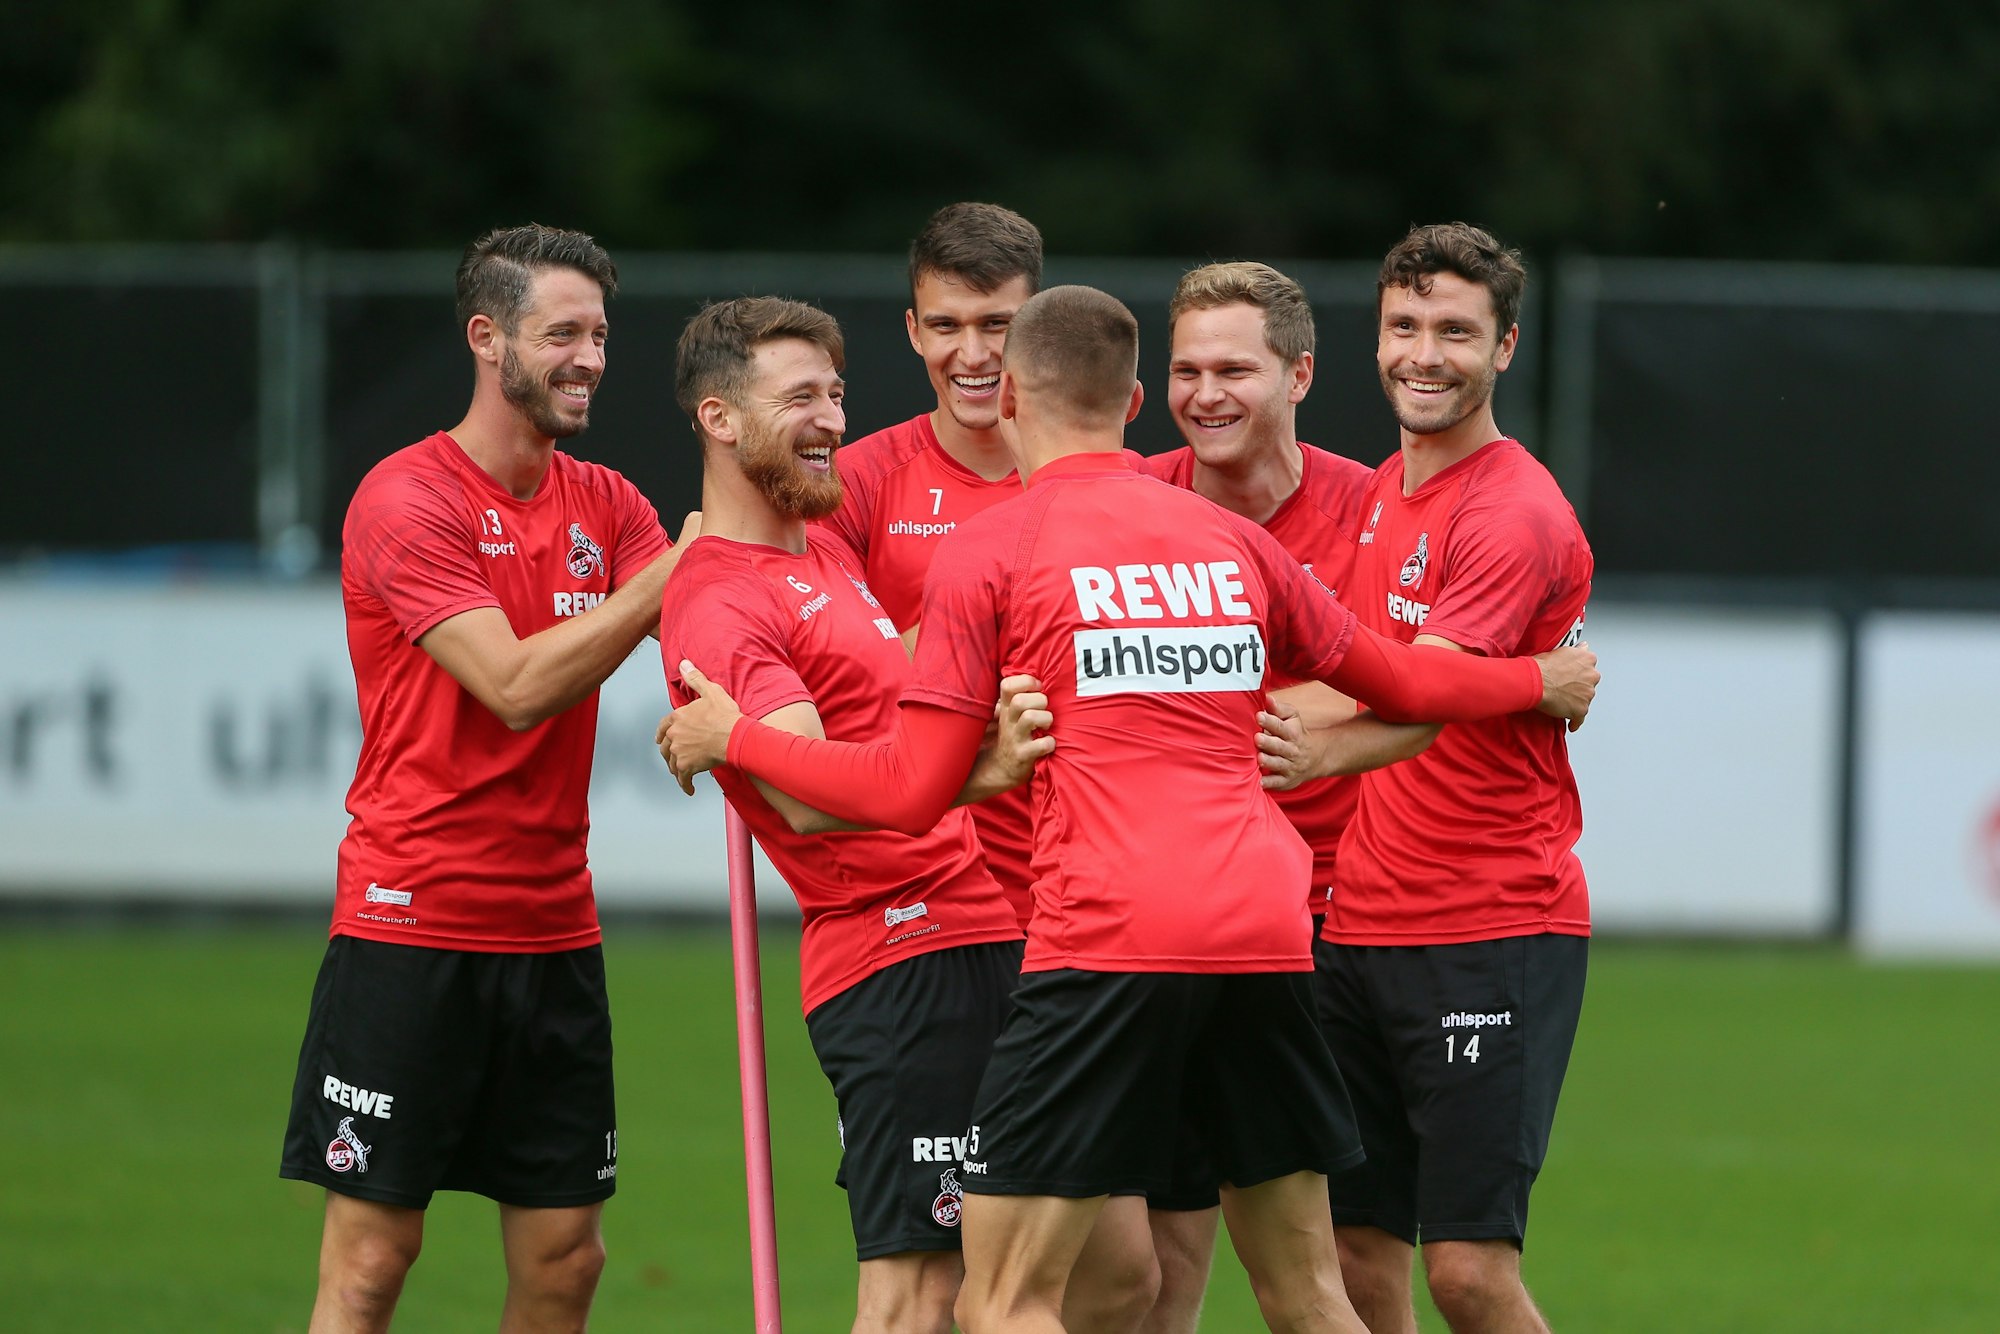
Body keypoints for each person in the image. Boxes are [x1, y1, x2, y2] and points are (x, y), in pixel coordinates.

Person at [660, 285, 1599, 1334]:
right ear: (1138, 398)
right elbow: (1410, 685)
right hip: (1265, 932)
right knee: (1307, 1287)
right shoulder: (1230, 542)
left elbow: (908, 790)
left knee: (1004, 1297)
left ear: (1008, 391)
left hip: (1104, 936)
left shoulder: (994, 546)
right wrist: (1532, 682)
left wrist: (730, 736)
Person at [278, 224, 696, 1334]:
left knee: (567, 1259)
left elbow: (711, 635)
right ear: (486, 337)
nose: (590, 359)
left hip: (554, 932)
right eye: (562, 333)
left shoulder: (608, 505)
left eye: (600, 335)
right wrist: (664, 586)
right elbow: (512, 685)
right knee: (372, 1261)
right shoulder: (405, 498)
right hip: (411, 922)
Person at [657, 295, 1048, 1334]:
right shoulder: (720, 599)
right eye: (799, 397)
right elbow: (807, 792)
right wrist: (979, 771)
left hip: (976, 929)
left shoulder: (822, 551)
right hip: (898, 958)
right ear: (719, 418)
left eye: (835, 392)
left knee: (1071, 1273)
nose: (832, 417)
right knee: (923, 1289)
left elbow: (898, 702)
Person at [1289, 223, 1595, 1334]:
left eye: (1455, 331)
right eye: (1404, 326)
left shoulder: (1510, 509)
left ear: (1504, 347)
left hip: (1489, 925)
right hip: (1357, 926)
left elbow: (1420, 689)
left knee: (1465, 1272)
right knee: (1357, 1252)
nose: (1424, 353)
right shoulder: (1379, 490)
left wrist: (1289, 738)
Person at [1130, 259, 1429, 1333]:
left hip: (1338, 928)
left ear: (1298, 374)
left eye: (1234, 369)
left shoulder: (1375, 505)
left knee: (1353, 1267)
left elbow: (1415, 681)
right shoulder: (1133, 504)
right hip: (1169, 926)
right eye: (1184, 369)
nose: (1204, 393)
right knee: (1156, 1263)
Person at [816, 201, 1044, 926]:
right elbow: (842, 685)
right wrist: (988, 631)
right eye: (947, 325)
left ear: (1039, 328)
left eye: (997, 325)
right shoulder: (853, 485)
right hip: (934, 894)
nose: (972, 355)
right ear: (915, 332)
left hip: (1091, 880)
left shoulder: (1110, 478)